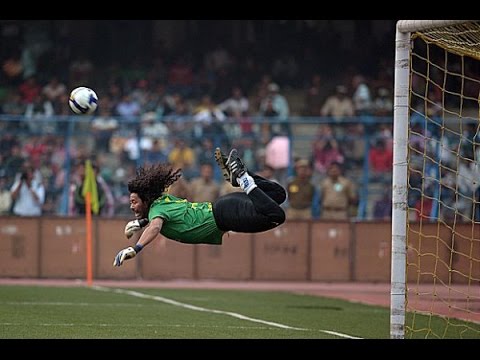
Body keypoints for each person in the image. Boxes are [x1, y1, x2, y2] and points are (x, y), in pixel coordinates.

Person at [113, 148, 287, 266]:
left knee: (276, 216)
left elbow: (156, 226)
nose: (131, 206)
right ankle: (242, 178)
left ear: (145, 200)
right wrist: (141, 222)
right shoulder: (161, 200)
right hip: (224, 205)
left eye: (134, 202)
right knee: (279, 194)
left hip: (226, 216)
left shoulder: (156, 212)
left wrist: (136, 248)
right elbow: (162, 218)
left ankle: (243, 179)